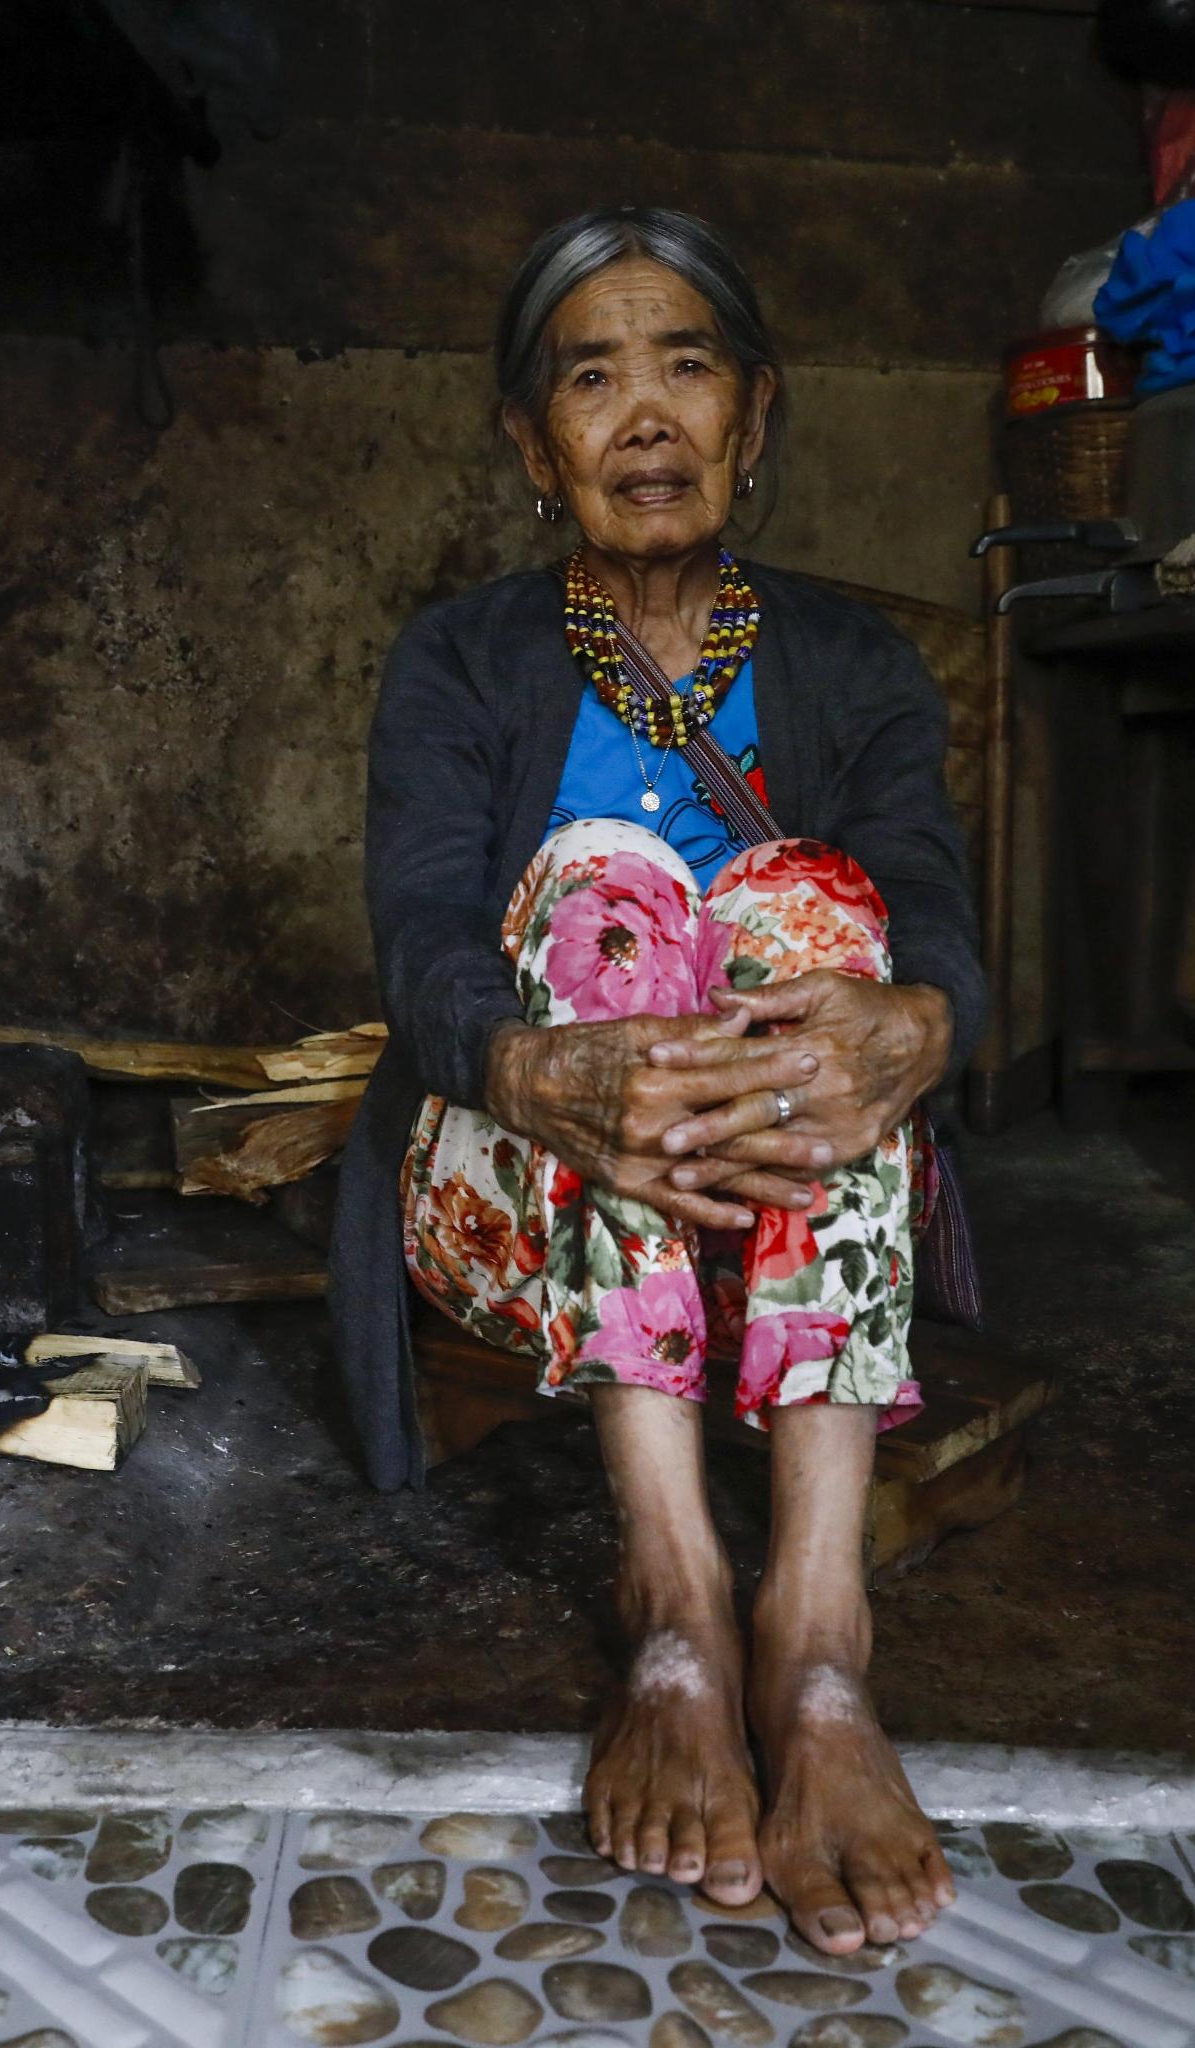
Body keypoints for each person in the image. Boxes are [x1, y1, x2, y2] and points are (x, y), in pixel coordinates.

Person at [327, 206, 987, 1955]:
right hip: (526, 1181)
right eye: (592, 376)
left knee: (815, 910)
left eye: (686, 367)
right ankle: (681, 1599)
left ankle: (819, 1642)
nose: (643, 414)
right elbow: (419, 954)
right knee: (609, 882)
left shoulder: (857, 666)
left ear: (752, 422)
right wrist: (547, 1068)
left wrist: (918, 1023)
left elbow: (943, 929)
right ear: (534, 447)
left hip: (799, 1178)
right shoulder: (456, 662)